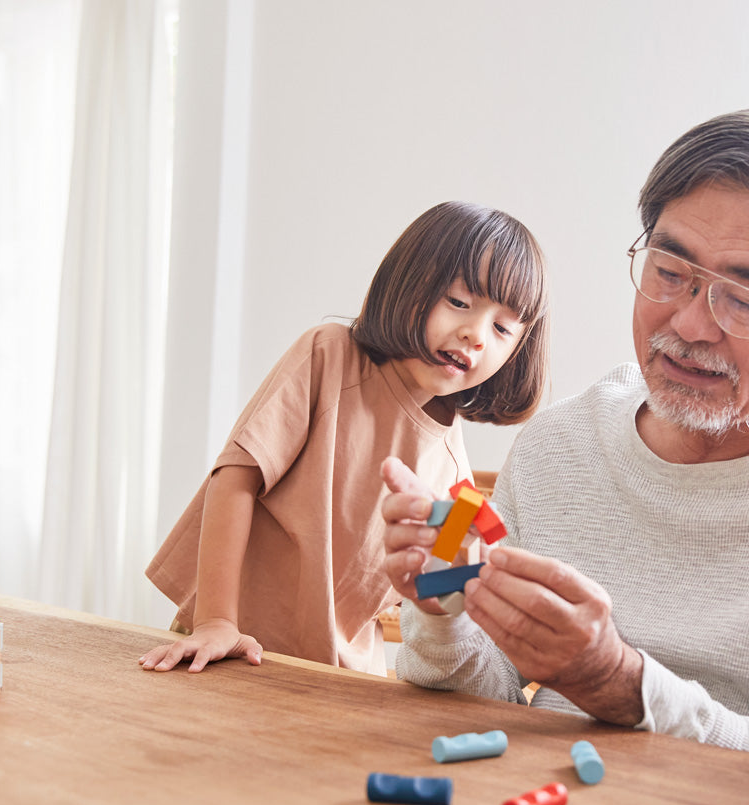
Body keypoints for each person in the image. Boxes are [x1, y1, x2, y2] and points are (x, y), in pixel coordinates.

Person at [380, 109, 749, 762]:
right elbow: (486, 704)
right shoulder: (561, 446)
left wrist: (618, 683)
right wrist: (443, 609)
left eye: (745, 300)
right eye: (669, 270)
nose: (689, 324)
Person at [140, 201, 549, 674]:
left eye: (502, 329)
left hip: (343, 683)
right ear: (411, 283)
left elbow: (435, 594)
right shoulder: (328, 358)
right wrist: (214, 621)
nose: (475, 334)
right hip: (231, 653)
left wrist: (474, 565)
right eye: (459, 302)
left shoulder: (455, 472)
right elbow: (235, 478)